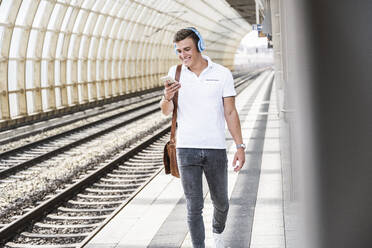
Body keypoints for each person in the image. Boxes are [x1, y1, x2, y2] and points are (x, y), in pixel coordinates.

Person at [160, 27, 246, 248]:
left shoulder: (221, 73)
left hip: (215, 148)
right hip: (186, 148)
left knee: (222, 203)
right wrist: (167, 97)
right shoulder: (175, 72)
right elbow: (165, 111)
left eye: (187, 49)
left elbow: (230, 112)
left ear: (200, 46)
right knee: (193, 206)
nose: (183, 55)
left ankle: (218, 232)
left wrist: (240, 146)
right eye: (179, 51)